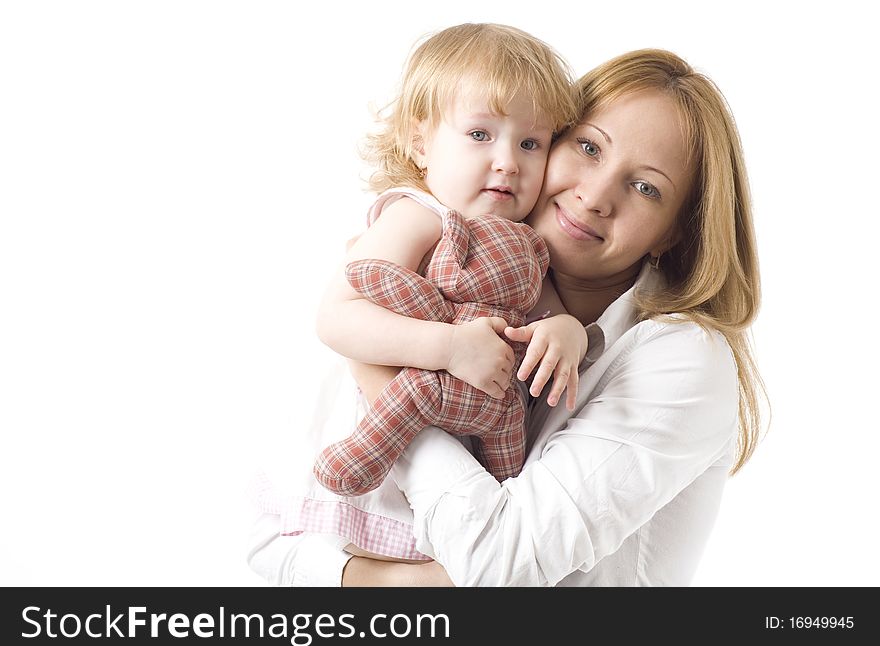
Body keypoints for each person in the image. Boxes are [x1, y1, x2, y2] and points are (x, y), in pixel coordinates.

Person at [251, 46, 765, 587]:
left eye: (645, 188)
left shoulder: (683, 357)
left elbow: (500, 566)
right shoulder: (456, 262)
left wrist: (385, 382)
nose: (593, 196)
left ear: (674, 233)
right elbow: (266, 541)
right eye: (588, 147)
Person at [248, 23, 583, 573]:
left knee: (453, 560)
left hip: (464, 448)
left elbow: (552, 314)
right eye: (480, 135)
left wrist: (566, 332)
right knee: (377, 557)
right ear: (419, 142)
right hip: (383, 431)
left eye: (531, 143)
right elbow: (339, 315)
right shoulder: (418, 214)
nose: (508, 161)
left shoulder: (527, 245)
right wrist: (449, 347)